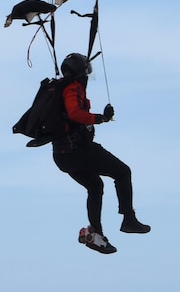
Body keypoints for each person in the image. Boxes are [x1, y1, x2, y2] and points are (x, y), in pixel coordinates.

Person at [48, 52, 148, 254]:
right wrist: (100, 118)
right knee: (122, 172)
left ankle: (97, 234)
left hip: (62, 156)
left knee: (95, 186)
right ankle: (128, 219)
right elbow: (75, 113)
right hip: (77, 151)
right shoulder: (72, 88)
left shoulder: (57, 88)